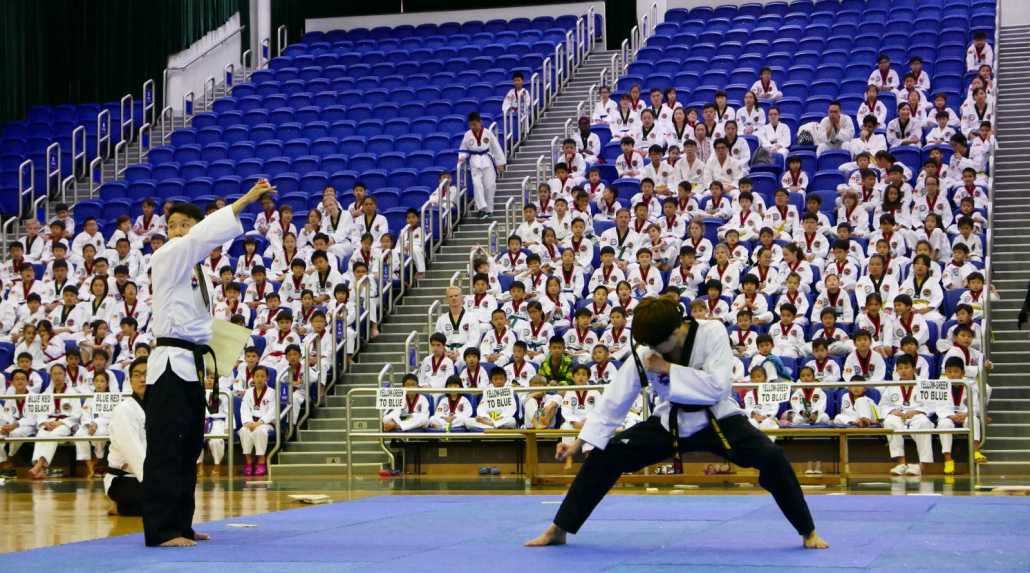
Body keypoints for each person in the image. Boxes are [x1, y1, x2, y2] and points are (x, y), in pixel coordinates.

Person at [524, 297, 827, 549]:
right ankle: (559, 529)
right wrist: (581, 441)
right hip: (670, 420)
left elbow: (718, 386)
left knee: (772, 457)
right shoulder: (648, 350)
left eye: (659, 345)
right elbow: (615, 398)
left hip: (717, 418)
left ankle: (808, 531)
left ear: (675, 330)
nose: (653, 352)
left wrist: (667, 367)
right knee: (605, 455)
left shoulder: (712, 333)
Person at [142, 179, 273, 547]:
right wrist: (246, 200)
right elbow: (199, 240)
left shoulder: (200, 273)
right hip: (169, 366)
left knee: (188, 450)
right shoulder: (167, 257)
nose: (178, 231)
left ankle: (181, 523)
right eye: (172, 226)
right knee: (166, 449)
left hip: (193, 365)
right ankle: (161, 530)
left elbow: (198, 326)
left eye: (185, 225)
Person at [105, 357, 149, 516]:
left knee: (178, 497)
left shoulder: (159, 408)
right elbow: (132, 450)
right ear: (130, 381)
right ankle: (119, 507)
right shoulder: (124, 410)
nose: (143, 379)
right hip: (123, 479)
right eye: (137, 375)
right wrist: (153, 483)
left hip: (150, 474)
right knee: (161, 504)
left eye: (147, 374)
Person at [458, 111, 506, 218]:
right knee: (477, 184)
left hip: (487, 159)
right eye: (470, 124)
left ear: (480, 122)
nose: (472, 127)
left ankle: (489, 209)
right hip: (475, 161)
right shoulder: (467, 135)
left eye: (474, 124)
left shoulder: (488, 133)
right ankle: (481, 209)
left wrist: (500, 163)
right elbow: (463, 148)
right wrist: (462, 157)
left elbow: (496, 148)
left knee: (490, 185)